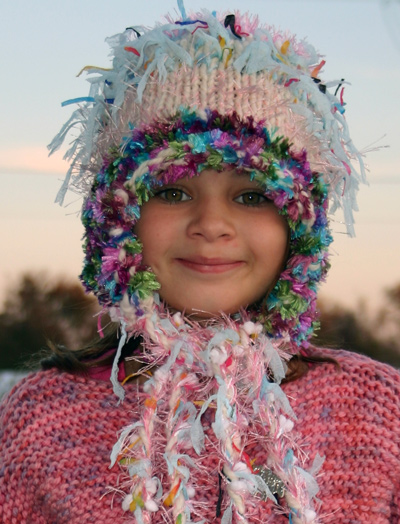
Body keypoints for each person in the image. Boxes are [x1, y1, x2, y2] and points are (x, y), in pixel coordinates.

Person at [1, 5, 399, 524]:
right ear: (118, 219)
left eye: (253, 196)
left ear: (298, 230)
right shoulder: (44, 418)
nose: (212, 224)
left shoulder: (376, 413)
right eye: (171, 190)